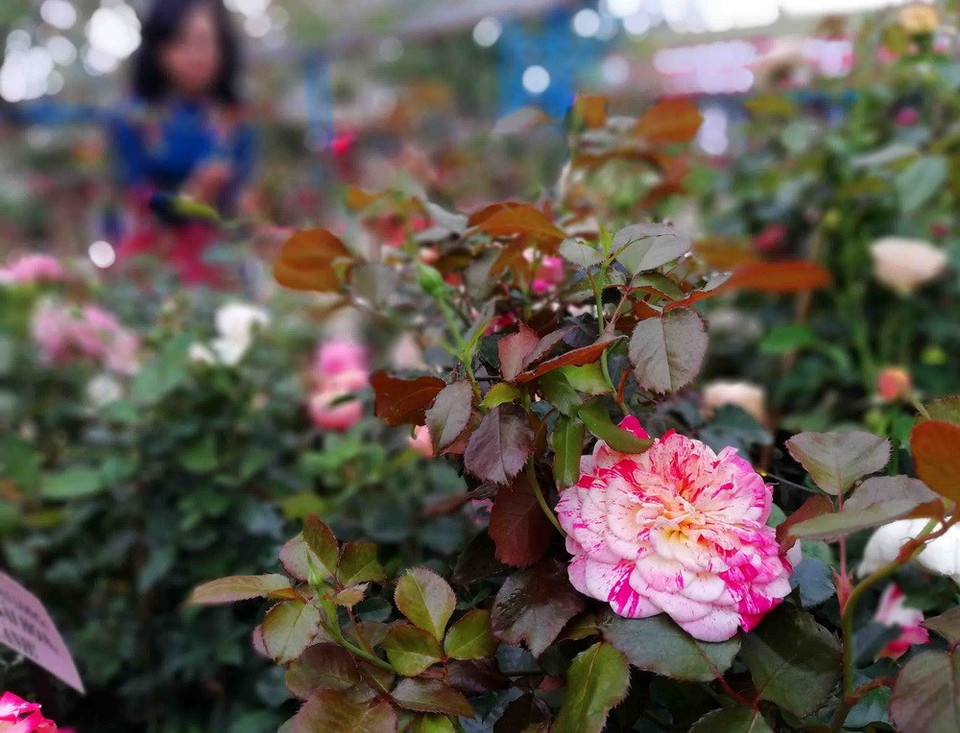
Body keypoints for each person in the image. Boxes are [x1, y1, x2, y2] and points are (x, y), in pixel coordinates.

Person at [110, 0, 255, 286]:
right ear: (158, 47)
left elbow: (243, 192)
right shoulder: (133, 117)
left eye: (206, 41)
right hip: (153, 264)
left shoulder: (235, 117)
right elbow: (135, 192)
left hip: (221, 261)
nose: (197, 54)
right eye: (182, 41)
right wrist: (188, 200)